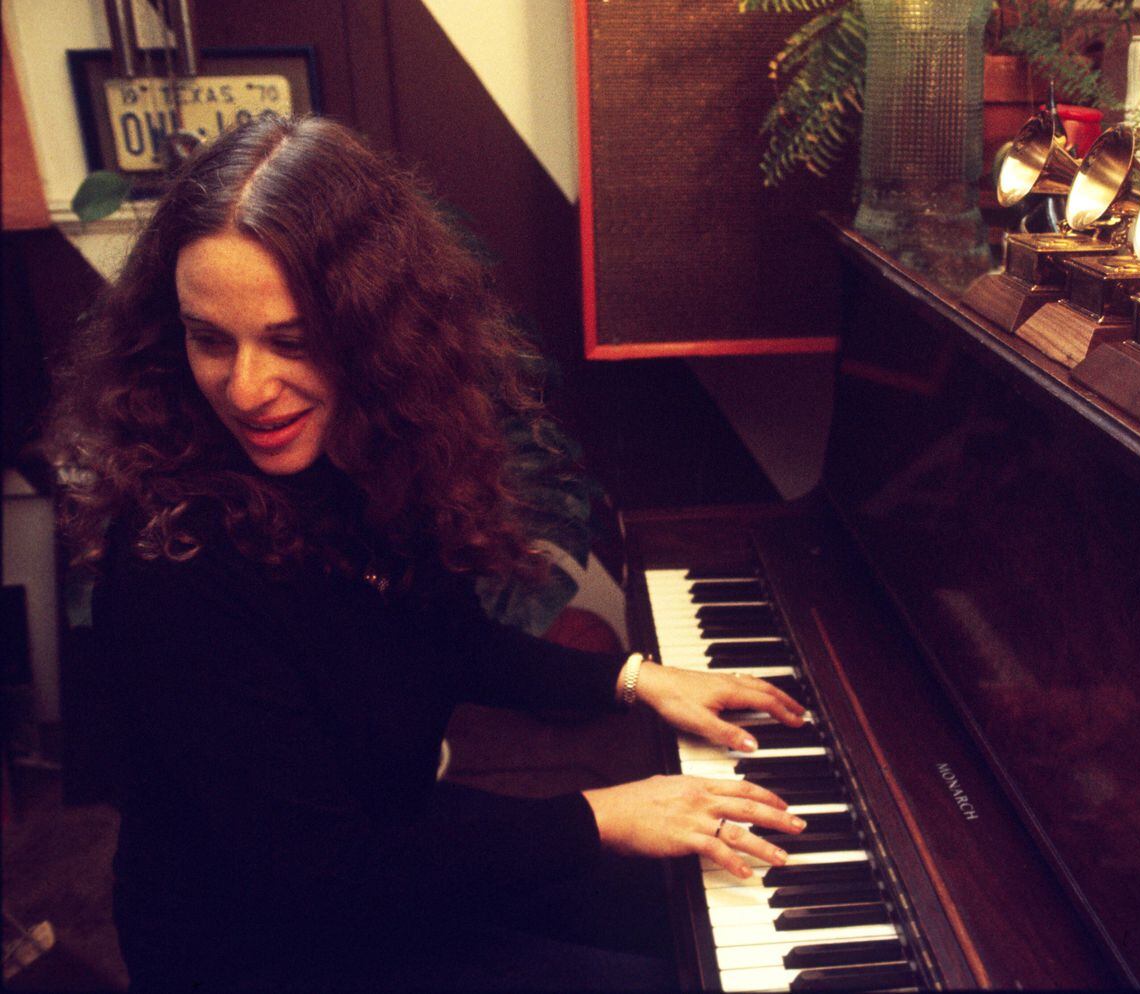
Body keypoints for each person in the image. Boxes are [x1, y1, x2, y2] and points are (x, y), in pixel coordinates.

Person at [46, 114, 809, 989]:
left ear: (375, 330)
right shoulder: (170, 562)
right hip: (267, 941)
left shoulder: (361, 455)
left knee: (684, 908)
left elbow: (440, 639)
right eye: (209, 338)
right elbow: (314, 866)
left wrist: (634, 679)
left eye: (291, 340)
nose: (246, 388)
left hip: (391, 853)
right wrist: (601, 817)